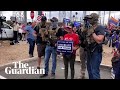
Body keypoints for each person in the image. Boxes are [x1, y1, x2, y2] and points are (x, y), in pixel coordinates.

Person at [82, 13, 105, 79]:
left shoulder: (100, 27)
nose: (89, 20)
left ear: (94, 19)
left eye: (90, 18)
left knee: (94, 71)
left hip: (96, 51)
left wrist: (92, 32)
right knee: (89, 69)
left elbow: (99, 40)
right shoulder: (89, 27)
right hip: (89, 50)